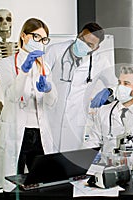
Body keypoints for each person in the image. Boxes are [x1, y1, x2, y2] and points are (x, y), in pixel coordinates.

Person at [0, 18, 57, 191]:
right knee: (14, 185)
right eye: (36, 37)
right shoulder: (6, 64)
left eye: (44, 39)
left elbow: (51, 102)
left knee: (41, 183)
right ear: (24, 36)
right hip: (17, 131)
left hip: (39, 133)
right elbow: (11, 95)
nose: (40, 42)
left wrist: (49, 88)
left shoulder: (45, 66)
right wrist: (24, 71)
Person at [45, 22, 117, 152]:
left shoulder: (100, 61)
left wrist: (109, 91)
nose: (83, 45)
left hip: (75, 121)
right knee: (45, 163)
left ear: (96, 48)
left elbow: (114, 84)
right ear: (78, 35)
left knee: (69, 166)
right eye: (82, 40)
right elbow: (40, 74)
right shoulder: (55, 50)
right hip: (50, 116)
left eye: (89, 45)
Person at [83, 66, 133, 164]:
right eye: (119, 83)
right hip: (107, 170)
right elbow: (92, 142)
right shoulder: (103, 111)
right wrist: (90, 155)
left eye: (126, 84)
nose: (120, 87)